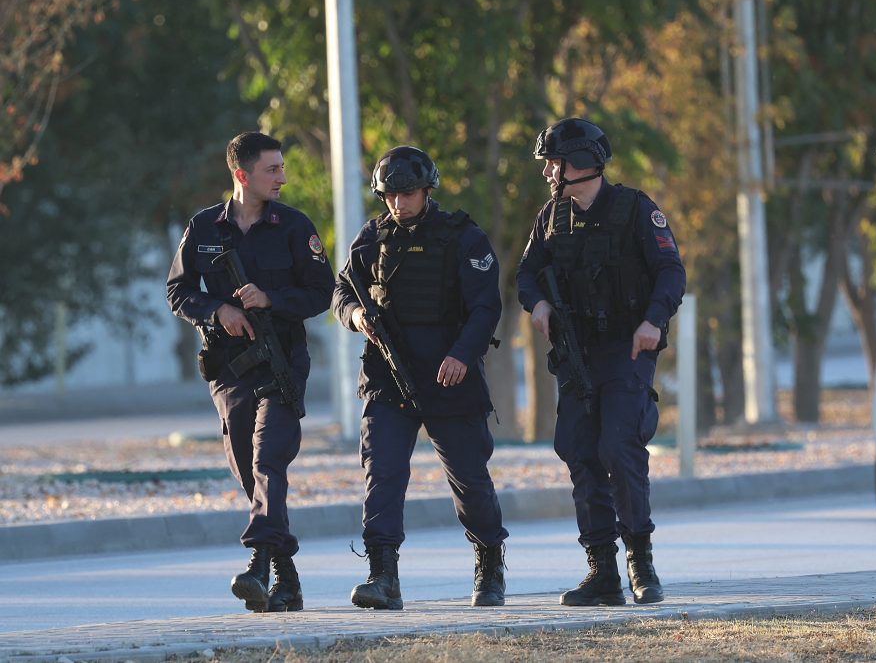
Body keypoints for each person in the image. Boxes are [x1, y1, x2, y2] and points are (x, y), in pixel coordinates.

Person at [516, 117, 686, 606]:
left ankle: (641, 560)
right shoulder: (550, 218)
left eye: (555, 162)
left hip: (627, 349)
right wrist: (539, 304)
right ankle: (602, 570)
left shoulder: (636, 210)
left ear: (583, 162)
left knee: (619, 446)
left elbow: (671, 273)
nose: (549, 172)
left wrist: (653, 321)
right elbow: (527, 275)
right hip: (578, 352)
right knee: (579, 450)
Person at [332, 145, 508, 610]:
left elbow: (487, 306)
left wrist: (462, 356)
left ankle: (490, 563)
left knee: (469, 479)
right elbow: (341, 290)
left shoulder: (462, 237)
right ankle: (382, 575)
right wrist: (355, 318)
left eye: (406, 193)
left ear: (427, 190)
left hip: (450, 375)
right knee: (383, 474)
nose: (398, 203)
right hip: (389, 376)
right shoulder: (372, 238)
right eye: (389, 195)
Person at [166, 131, 335, 613]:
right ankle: (287, 576)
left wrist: (271, 300)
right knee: (246, 460)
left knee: (269, 455)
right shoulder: (203, 228)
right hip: (229, 367)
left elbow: (321, 292)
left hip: (281, 358)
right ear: (242, 175)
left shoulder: (294, 226)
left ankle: (259, 563)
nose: (282, 177)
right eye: (272, 170)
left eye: (282, 168)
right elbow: (178, 291)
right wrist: (219, 310)